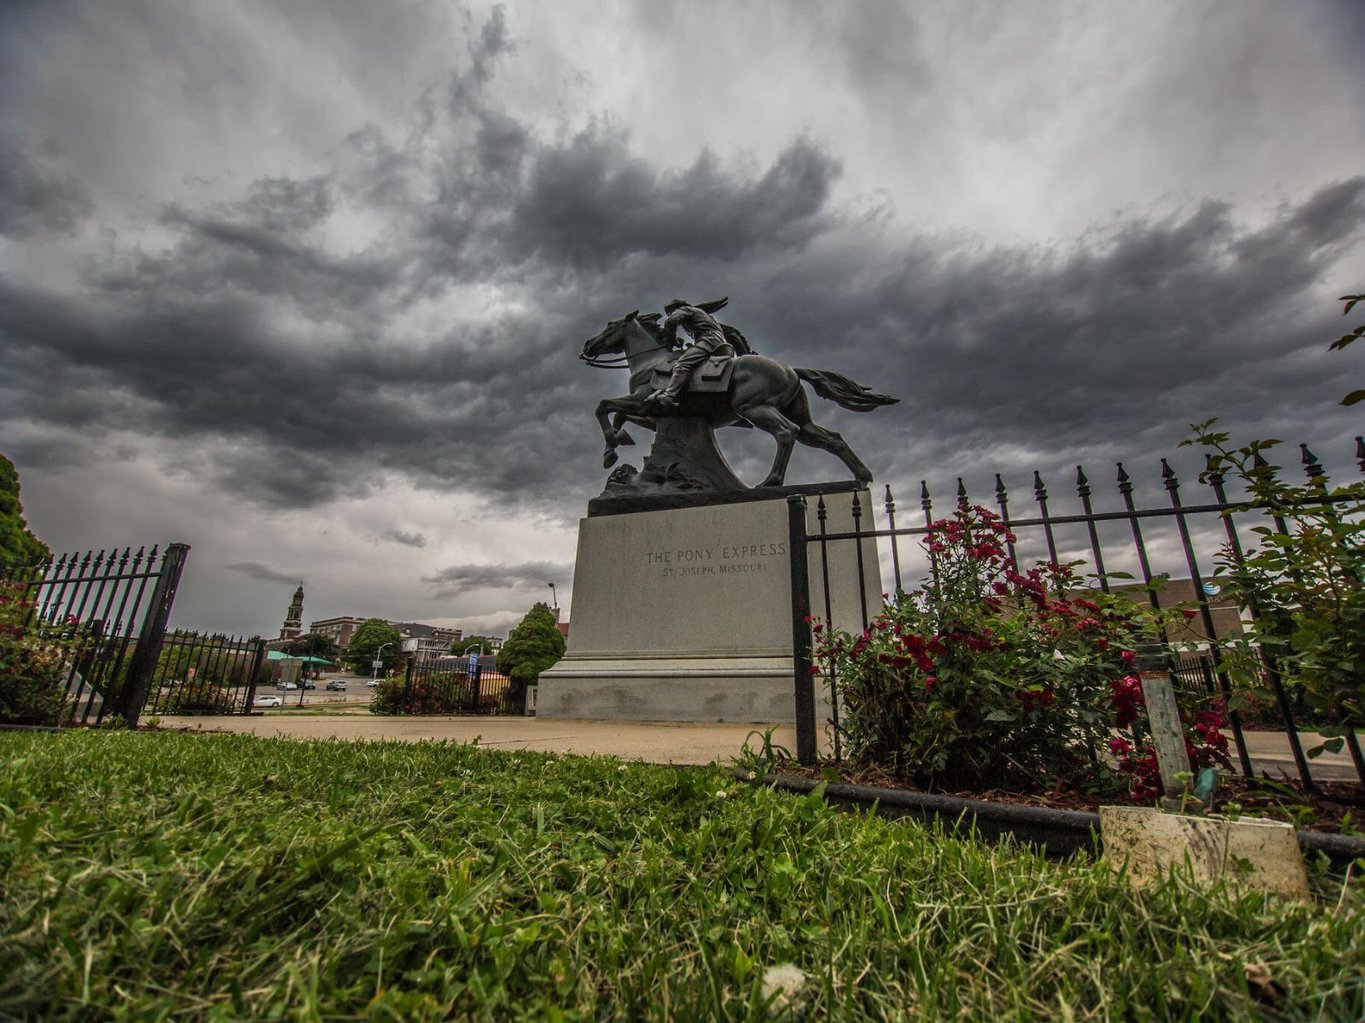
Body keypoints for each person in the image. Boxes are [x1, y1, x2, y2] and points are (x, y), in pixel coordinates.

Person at [645, 297, 748, 409]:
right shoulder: (702, 315)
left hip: (708, 341)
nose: (671, 314)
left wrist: (672, 340)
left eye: (670, 312)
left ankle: (669, 395)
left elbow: (670, 321)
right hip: (720, 344)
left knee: (681, 364)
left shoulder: (686, 309)